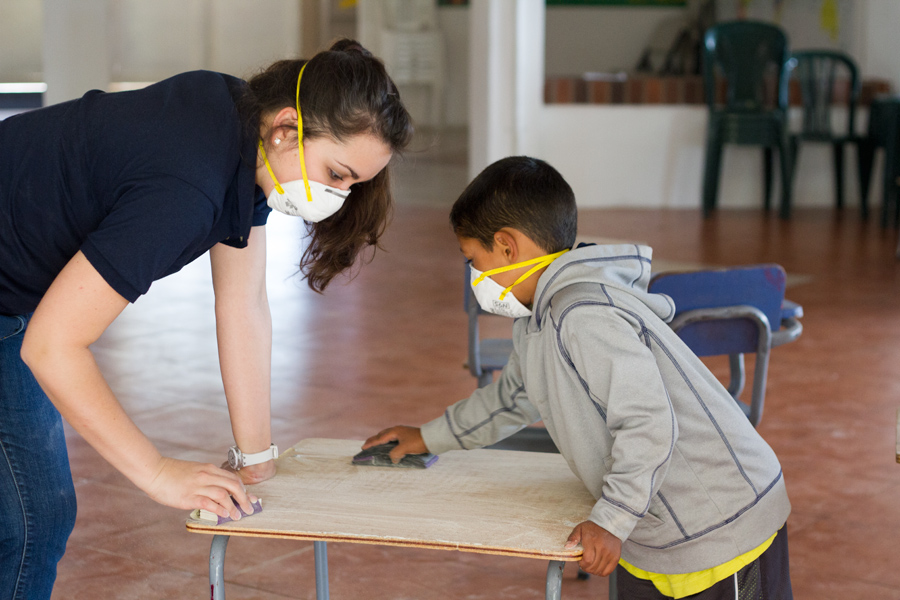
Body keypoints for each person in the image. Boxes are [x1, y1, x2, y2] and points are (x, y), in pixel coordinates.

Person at [0, 39, 412, 599]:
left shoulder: (243, 132)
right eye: (337, 174)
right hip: (13, 301)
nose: (339, 196)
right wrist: (155, 472)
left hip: (13, 292)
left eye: (353, 185)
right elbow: (53, 346)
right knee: (32, 517)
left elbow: (244, 304)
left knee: (31, 512)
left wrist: (257, 459)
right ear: (288, 128)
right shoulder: (187, 184)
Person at [364, 156, 793, 599]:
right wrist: (428, 437)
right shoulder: (538, 320)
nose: (473, 275)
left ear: (507, 247)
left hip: (720, 529)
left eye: (474, 259)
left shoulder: (583, 315)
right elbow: (511, 399)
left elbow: (647, 423)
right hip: (657, 528)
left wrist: (611, 520)